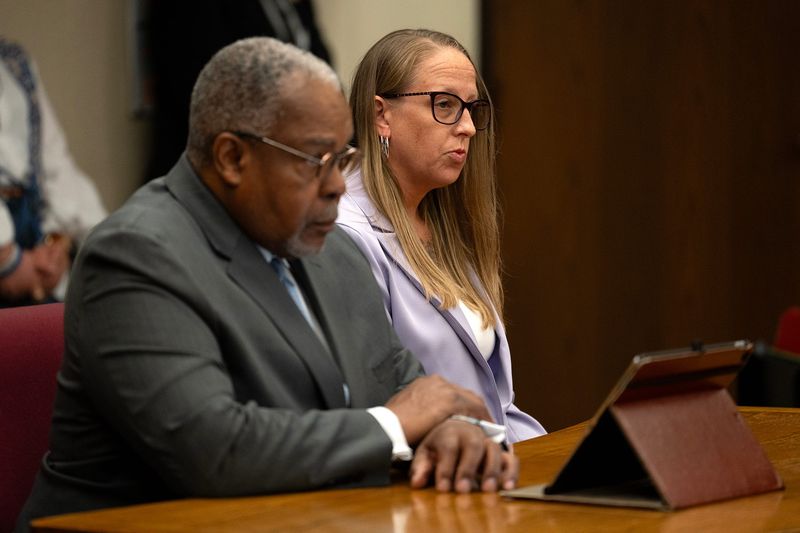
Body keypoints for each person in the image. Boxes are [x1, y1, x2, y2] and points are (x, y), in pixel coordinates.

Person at [16, 37, 517, 530]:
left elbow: (406, 385)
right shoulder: (137, 254)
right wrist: (393, 426)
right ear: (233, 158)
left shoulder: (327, 246)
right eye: (315, 160)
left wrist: (452, 432)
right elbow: (213, 450)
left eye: (341, 158)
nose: (340, 185)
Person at [337, 29, 546, 443]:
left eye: (471, 108)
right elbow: (374, 408)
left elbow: (499, 408)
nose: (467, 127)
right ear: (381, 115)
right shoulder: (345, 233)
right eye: (445, 105)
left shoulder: (442, 221)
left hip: (486, 471)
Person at [143, 0, 332, 181]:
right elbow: (211, 92)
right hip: (212, 175)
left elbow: (322, 72)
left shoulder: (295, 6)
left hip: (288, 173)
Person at [0, 37, 106, 306]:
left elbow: (53, 161)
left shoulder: (14, 62)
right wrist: (8, 260)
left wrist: (57, 243)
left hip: (32, 235)